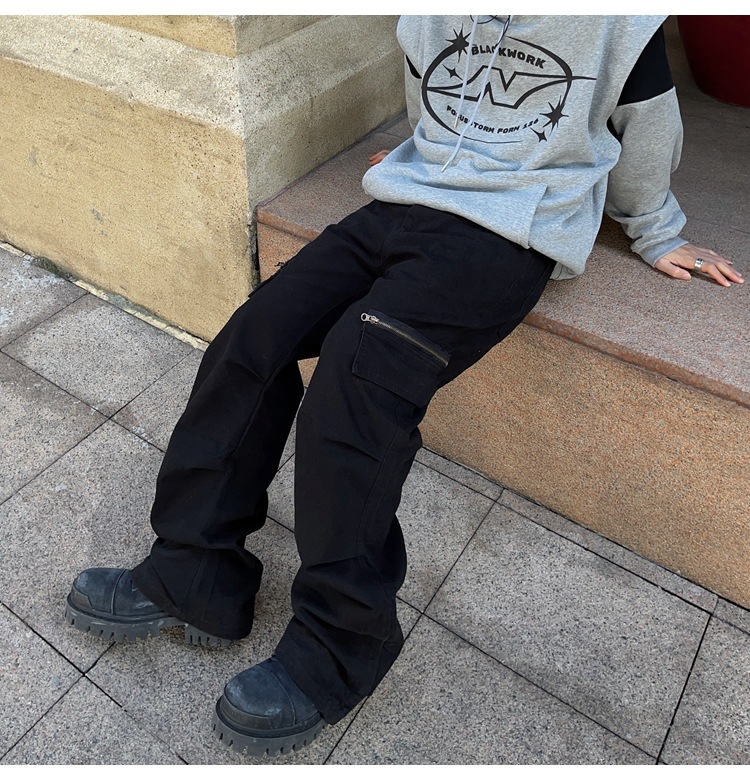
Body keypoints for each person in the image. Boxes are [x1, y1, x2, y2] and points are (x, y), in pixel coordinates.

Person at [65, 15, 742, 757]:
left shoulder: (620, 21)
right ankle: (194, 573)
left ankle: (338, 648)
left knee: (357, 380)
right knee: (251, 337)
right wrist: (431, 150)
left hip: (507, 233)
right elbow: (432, 93)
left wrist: (656, 229)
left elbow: (648, 127)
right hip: (403, 205)